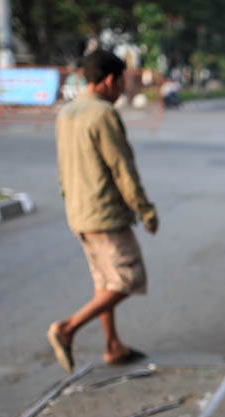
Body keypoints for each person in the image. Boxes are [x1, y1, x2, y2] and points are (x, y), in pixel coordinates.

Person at [46, 49, 159, 373]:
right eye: (121, 81)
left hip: (78, 212)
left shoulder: (66, 113)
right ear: (109, 80)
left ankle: (113, 346)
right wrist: (146, 210)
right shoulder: (103, 114)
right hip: (104, 212)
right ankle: (67, 328)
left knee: (105, 281)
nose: (122, 89)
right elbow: (122, 168)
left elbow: (63, 166)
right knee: (128, 279)